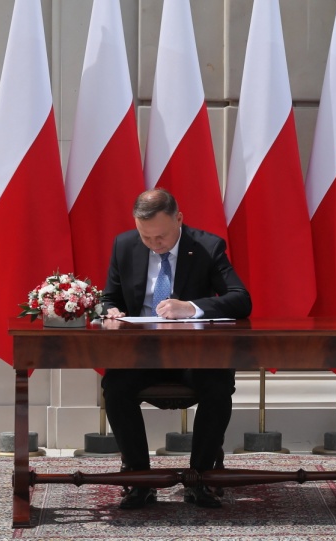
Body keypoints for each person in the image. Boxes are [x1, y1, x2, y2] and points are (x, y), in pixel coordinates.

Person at [101, 189, 252, 510]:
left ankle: (201, 477)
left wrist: (192, 307)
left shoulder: (207, 247)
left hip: (193, 352)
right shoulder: (125, 245)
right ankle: (139, 478)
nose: (154, 244)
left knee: (217, 385)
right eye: (146, 237)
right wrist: (110, 311)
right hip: (141, 353)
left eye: (161, 236)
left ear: (179, 219)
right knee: (115, 387)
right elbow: (110, 297)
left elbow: (241, 299)